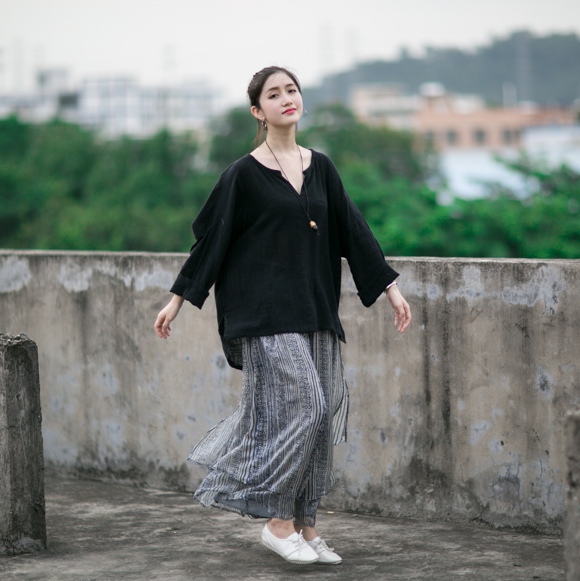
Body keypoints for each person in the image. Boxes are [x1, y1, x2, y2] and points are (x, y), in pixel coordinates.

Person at [154, 66, 411, 566]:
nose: (286, 98)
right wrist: (178, 299)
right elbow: (211, 241)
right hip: (263, 313)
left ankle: (306, 526)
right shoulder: (242, 174)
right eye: (274, 94)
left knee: (321, 419)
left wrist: (391, 289)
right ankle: (276, 521)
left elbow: (355, 232)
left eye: (291, 90)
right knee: (307, 407)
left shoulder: (322, 167)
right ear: (258, 111)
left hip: (315, 309)